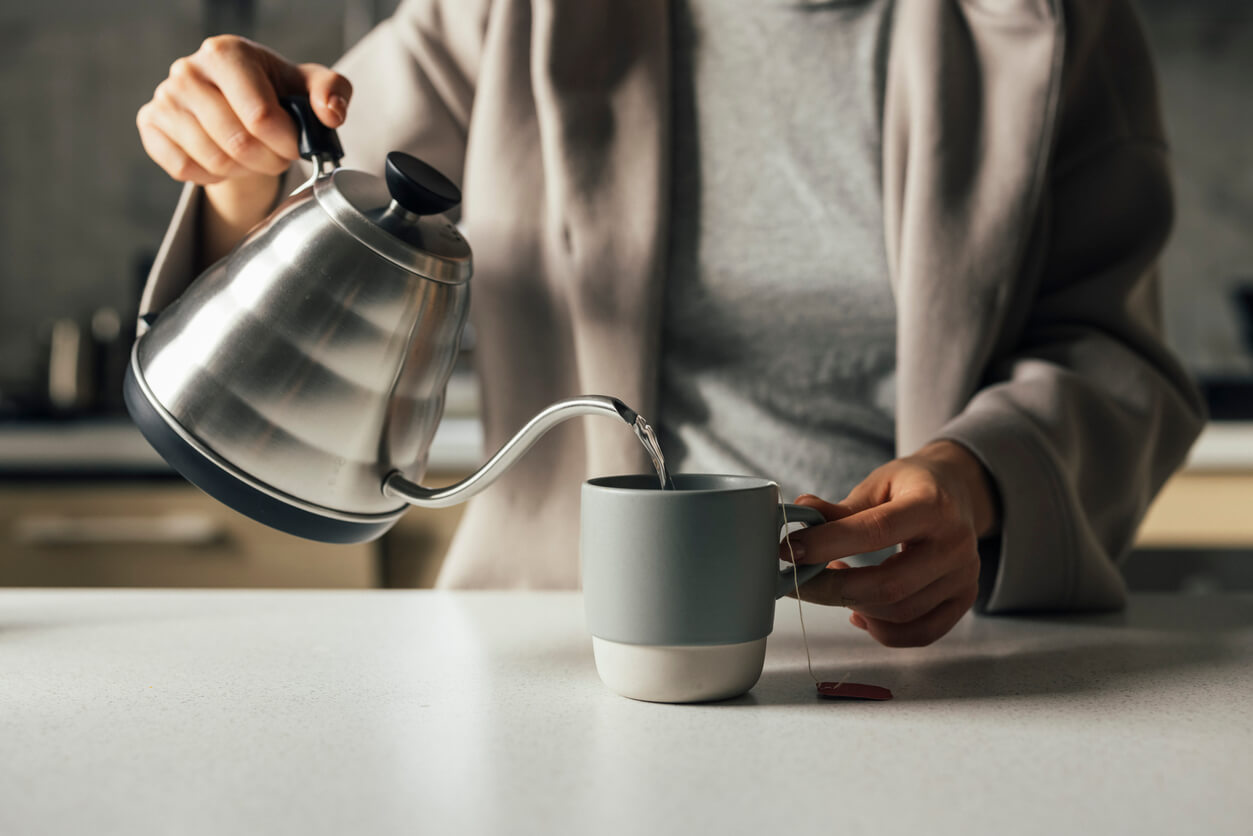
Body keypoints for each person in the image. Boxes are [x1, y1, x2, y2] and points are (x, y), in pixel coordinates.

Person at [135, 0, 1206, 648]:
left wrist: (975, 481)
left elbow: (1110, 347)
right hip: (561, 641)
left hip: (915, 659)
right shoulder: (511, 13)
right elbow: (321, 191)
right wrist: (239, 154)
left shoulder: (1057, 24)